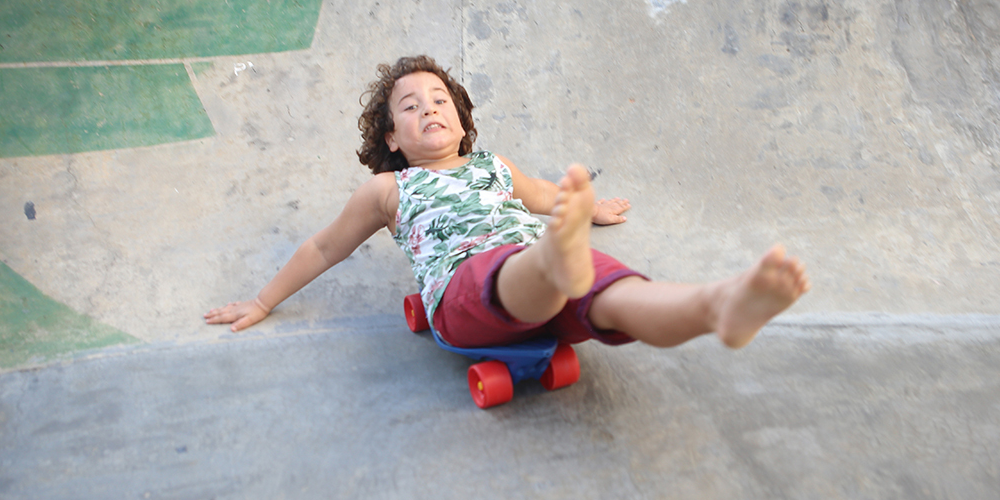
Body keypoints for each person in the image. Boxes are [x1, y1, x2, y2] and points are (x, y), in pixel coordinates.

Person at [205, 55, 810, 350]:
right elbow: (322, 246)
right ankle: (557, 260)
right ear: (391, 138)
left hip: (536, 262)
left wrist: (589, 211)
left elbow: (548, 196)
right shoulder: (390, 189)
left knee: (617, 295)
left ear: (463, 122)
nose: (428, 111)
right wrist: (262, 300)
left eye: (439, 101)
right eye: (409, 107)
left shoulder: (495, 167)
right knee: (527, 265)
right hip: (467, 291)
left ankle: (718, 305)